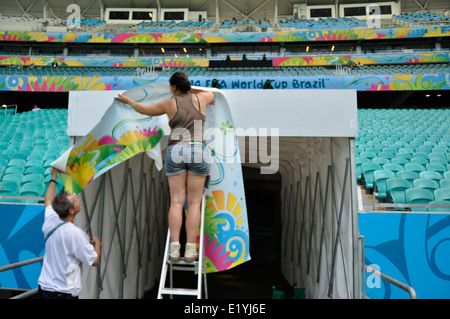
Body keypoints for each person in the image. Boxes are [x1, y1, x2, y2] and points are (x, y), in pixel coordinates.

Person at [115, 71, 215, 262]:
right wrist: (186, 88)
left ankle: (175, 248)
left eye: (170, 86)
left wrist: (128, 101)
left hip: (177, 149)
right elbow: (211, 93)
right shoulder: (201, 98)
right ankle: (191, 250)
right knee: (194, 203)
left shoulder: (169, 104)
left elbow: (143, 110)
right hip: (198, 149)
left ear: (174, 87)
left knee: (177, 202)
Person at [37, 167, 101, 299]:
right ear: (71, 211)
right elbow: (94, 260)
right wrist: (98, 244)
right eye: (75, 201)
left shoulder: (52, 219)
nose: (78, 200)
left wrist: (54, 177)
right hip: (64, 293)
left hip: (44, 288)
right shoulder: (76, 233)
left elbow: (48, 200)